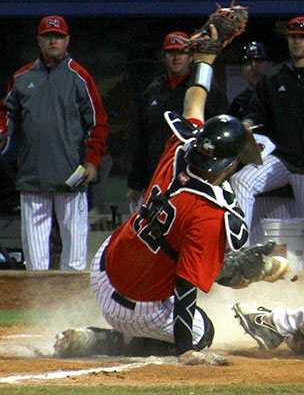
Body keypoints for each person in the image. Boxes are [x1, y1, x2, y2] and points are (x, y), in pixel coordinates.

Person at [53, 25, 289, 364]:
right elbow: (184, 289)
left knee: (180, 245)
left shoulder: (179, 147)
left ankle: (115, 332)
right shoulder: (210, 212)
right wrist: (187, 350)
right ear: (227, 162)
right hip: (138, 308)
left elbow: (195, 97)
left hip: (106, 267)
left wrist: (206, 59)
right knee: (203, 330)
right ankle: (106, 339)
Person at [0, 15, 109, 270]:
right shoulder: (22, 77)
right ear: (39, 40)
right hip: (32, 174)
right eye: (48, 36)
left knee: (75, 257)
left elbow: (98, 122)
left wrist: (92, 161)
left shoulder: (79, 76)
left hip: (72, 174)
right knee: (35, 261)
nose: (53, 41)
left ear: (67, 40)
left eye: (58, 37)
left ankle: (70, 309)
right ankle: (39, 307)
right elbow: (5, 112)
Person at [231, 17, 304, 248]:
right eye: (293, 37)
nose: (297, 42)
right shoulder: (274, 77)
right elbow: (256, 113)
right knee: (241, 181)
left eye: (303, 37)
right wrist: (248, 123)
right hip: (282, 159)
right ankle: (239, 253)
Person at [126, 31, 229, 212]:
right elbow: (142, 140)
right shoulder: (152, 91)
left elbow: (221, 132)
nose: (176, 58)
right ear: (164, 57)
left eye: (182, 52)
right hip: (158, 174)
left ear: (191, 56)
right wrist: (136, 183)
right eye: (171, 53)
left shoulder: (204, 88)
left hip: (194, 175)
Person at [228, 41, 274, 120]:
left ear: (271, 65)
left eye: (259, 62)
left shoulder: (280, 95)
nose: (254, 67)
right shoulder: (239, 101)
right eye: (248, 63)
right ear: (242, 71)